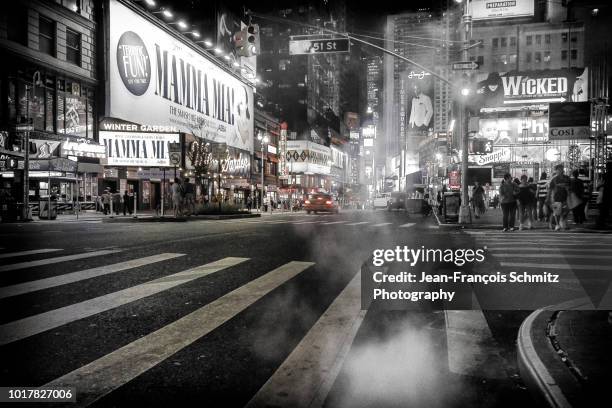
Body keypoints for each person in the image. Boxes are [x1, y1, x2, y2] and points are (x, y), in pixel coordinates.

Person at [547, 164, 571, 231]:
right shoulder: (554, 179)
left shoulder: (567, 178)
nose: (561, 170)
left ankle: (562, 220)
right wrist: (548, 198)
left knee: (566, 210)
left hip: (566, 197)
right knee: (557, 212)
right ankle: (557, 225)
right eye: (559, 169)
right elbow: (550, 189)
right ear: (556, 170)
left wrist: (566, 188)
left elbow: (570, 187)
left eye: (562, 169)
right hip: (556, 197)